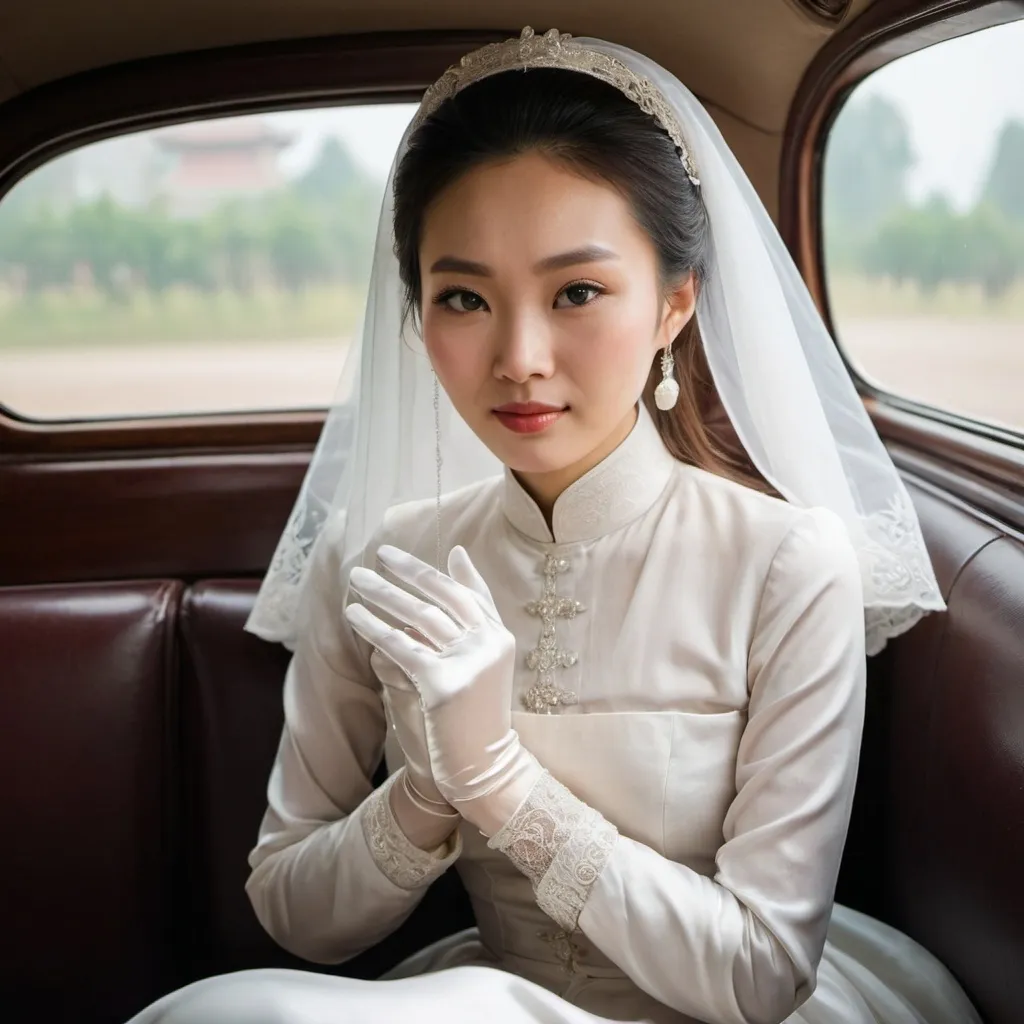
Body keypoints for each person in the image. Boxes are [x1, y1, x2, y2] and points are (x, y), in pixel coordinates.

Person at [128, 28, 980, 1024]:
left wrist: (498, 780)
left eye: (576, 291)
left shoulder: (786, 563)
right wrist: (425, 794)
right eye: (463, 297)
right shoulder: (382, 560)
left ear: (674, 303)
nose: (519, 355)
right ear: (416, 315)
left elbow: (758, 977)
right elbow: (292, 910)